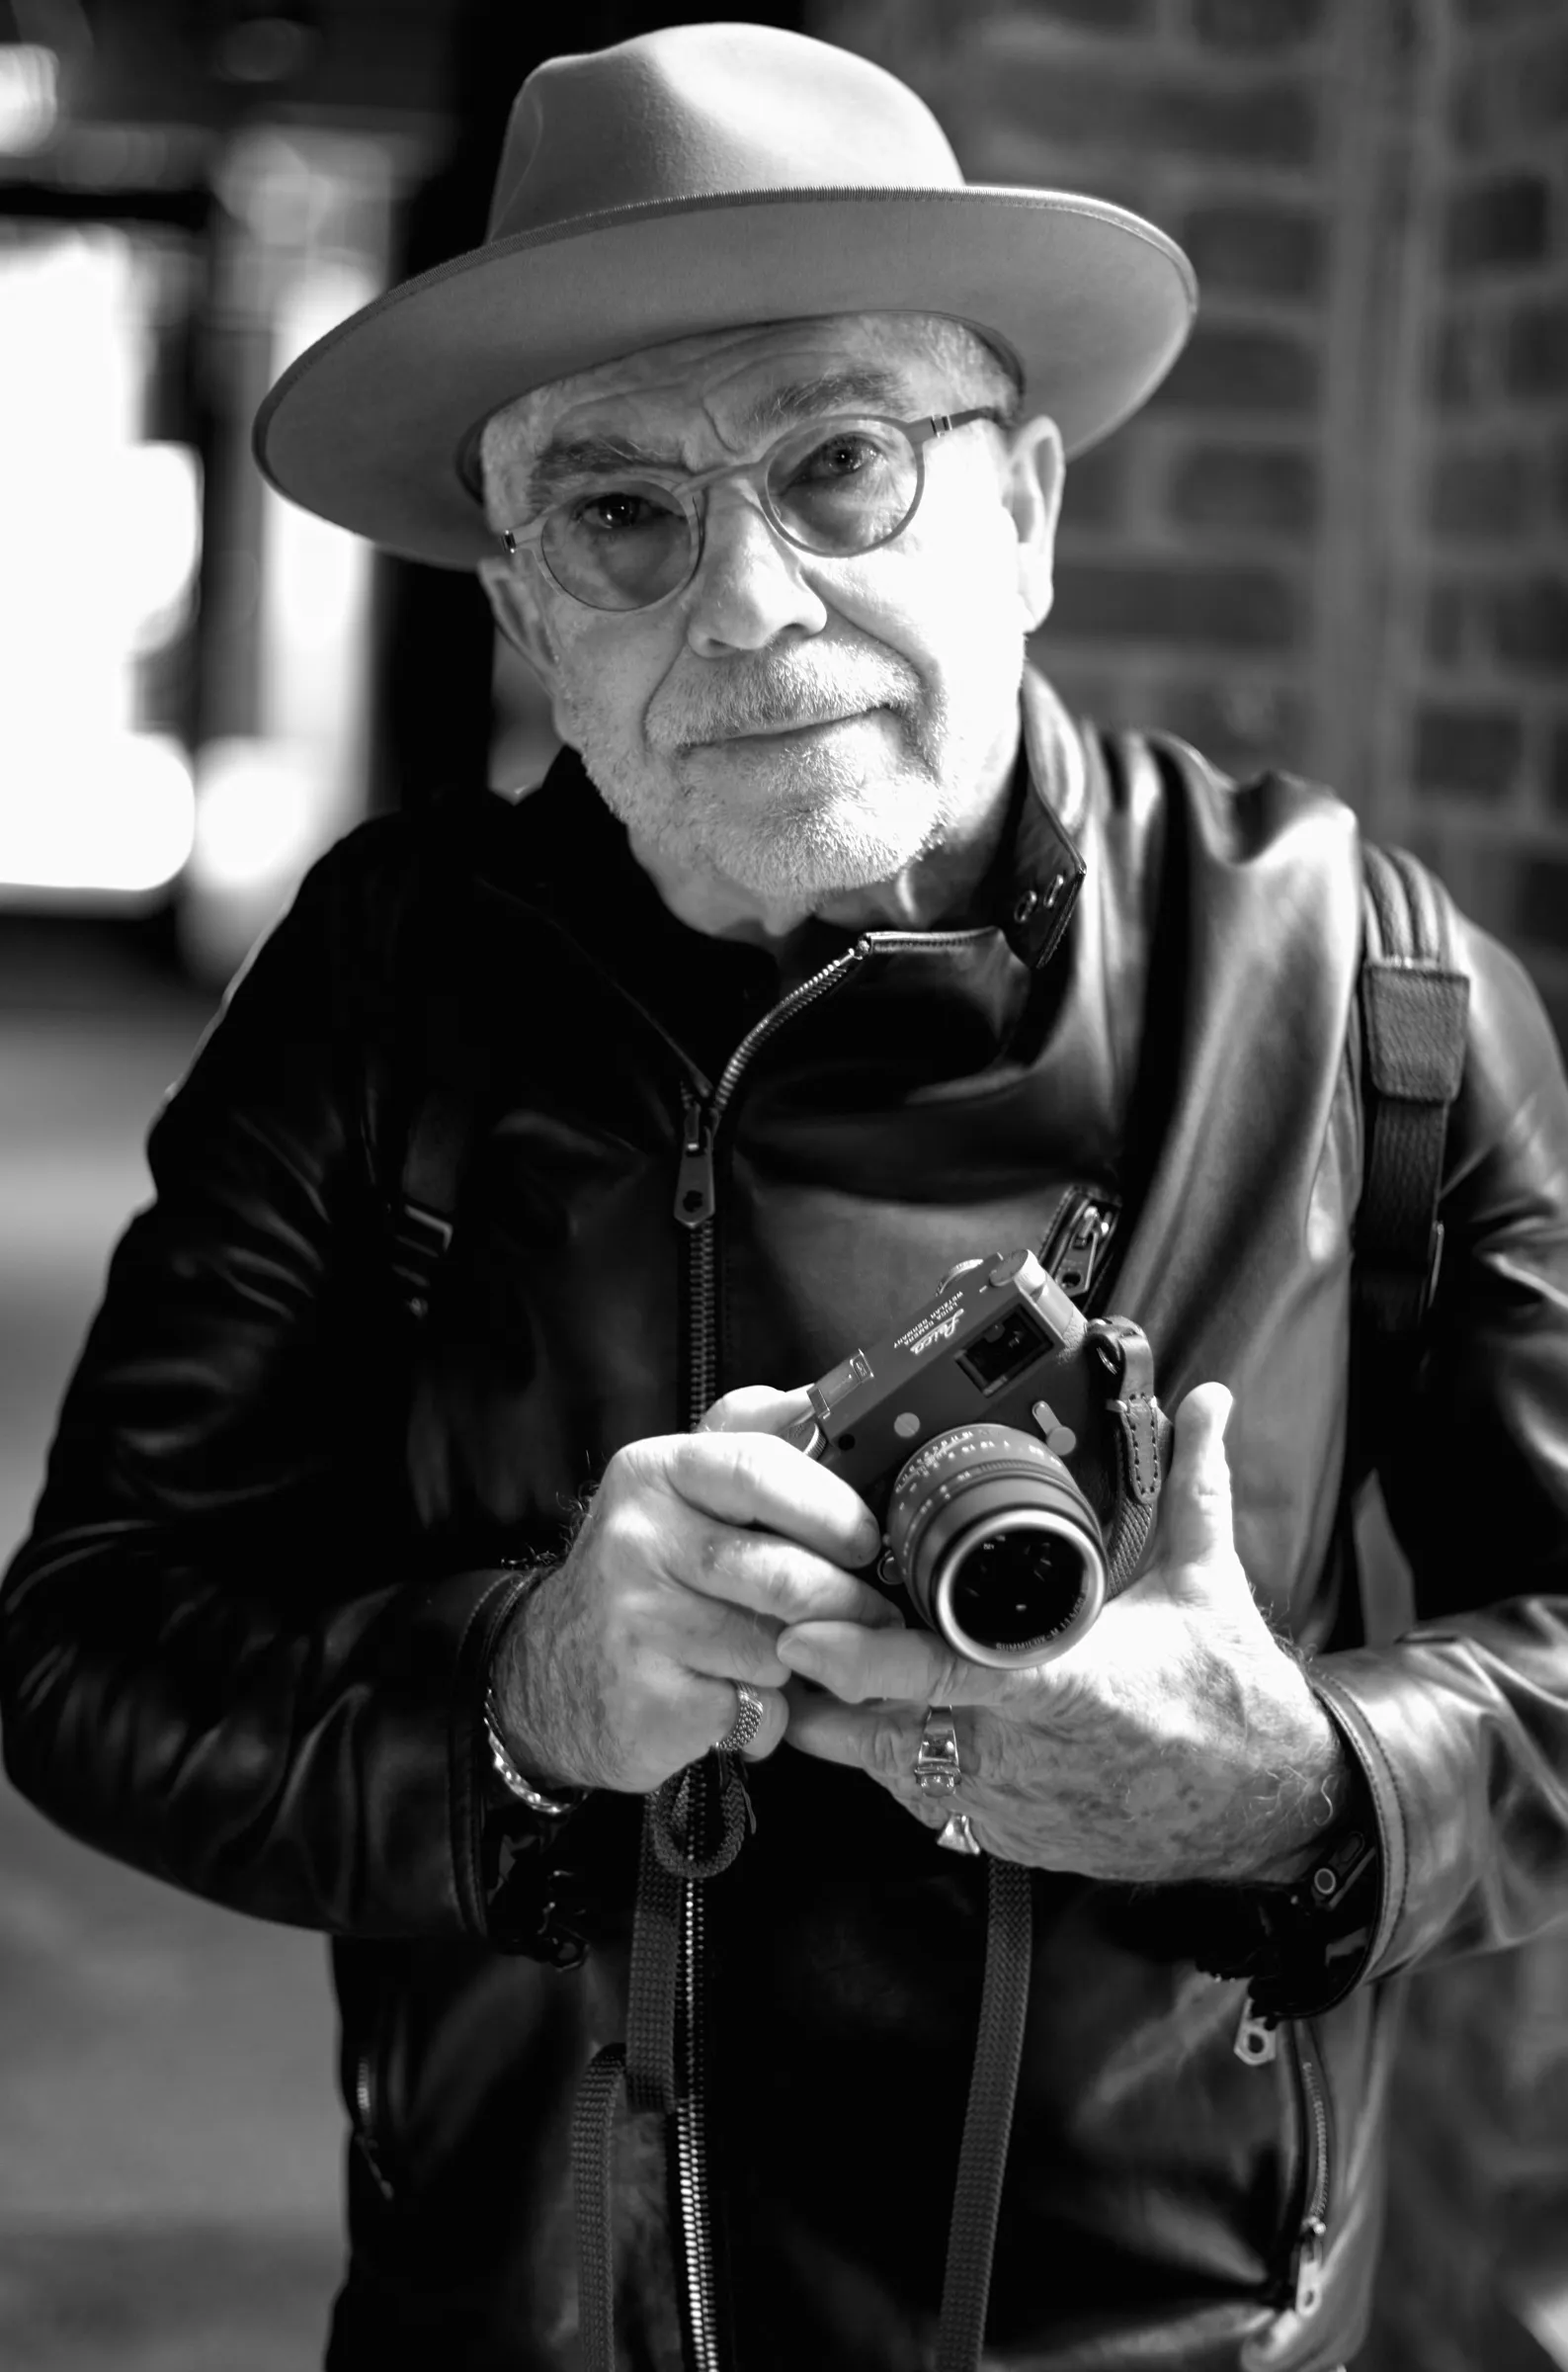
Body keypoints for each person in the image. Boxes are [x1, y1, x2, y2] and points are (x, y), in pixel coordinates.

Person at [3, 21, 1566, 2372]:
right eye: (620, 516)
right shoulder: (391, 985)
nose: (738, 607)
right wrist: (526, 1693)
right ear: (530, 619)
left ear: (1024, 506)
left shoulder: (1365, 985)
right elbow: (89, 1649)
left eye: (838, 464)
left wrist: (1294, 1787)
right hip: (530, 2314)